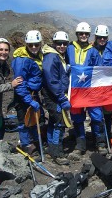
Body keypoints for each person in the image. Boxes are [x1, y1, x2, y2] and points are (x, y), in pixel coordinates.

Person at [67, 22, 107, 155]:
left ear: (89, 35)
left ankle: (100, 143)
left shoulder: (93, 51)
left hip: (90, 90)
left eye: (86, 34)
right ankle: (80, 145)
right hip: (75, 90)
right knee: (77, 117)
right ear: (77, 34)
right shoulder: (69, 48)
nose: (83, 36)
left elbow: (100, 70)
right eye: (81, 33)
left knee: (96, 116)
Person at [11, 30, 43, 155]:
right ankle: (27, 146)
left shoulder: (36, 56)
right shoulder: (22, 60)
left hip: (33, 93)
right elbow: (19, 84)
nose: (34, 47)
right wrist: (29, 100)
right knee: (24, 121)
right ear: (26, 45)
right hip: (24, 95)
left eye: (36, 44)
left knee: (33, 120)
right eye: (30, 45)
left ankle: (35, 143)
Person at [41, 31, 71, 165]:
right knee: (59, 122)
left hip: (55, 94)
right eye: (59, 43)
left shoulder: (58, 56)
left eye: (65, 43)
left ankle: (51, 148)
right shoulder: (52, 57)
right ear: (54, 44)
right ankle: (57, 152)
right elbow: (52, 80)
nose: (62, 46)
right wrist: (62, 98)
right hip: (54, 95)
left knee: (54, 121)